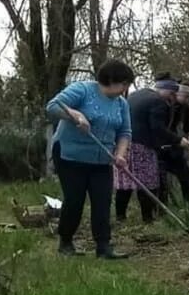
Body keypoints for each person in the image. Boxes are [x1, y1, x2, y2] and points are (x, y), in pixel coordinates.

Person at [45, 60, 135, 259]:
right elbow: (53, 106)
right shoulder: (82, 90)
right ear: (112, 80)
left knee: (103, 201)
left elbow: (125, 132)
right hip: (70, 155)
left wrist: (120, 155)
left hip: (102, 159)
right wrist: (76, 115)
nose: (125, 88)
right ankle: (66, 242)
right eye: (124, 83)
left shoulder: (122, 104)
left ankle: (103, 246)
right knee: (75, 199)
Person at [115, 76, 189, 222]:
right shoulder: (158, 102)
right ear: (167, 91)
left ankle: (120, 217)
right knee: (147, 183)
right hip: (142, 147)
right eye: (171, 94)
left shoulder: (137, 94)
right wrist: (178, 140)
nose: (171, 98)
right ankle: (148, 219)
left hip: (123, 145)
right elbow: (158, 128)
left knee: (125, 182)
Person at [158, 76, 189, 204]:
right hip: (160, 146)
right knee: (160, 180)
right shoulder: (164, 104)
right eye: (185, 95)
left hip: (175, 145)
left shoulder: (185, 108)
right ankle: (162, 209)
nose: (187, 99)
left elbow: (188, 129)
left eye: (188, 97)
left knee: (185, 175)